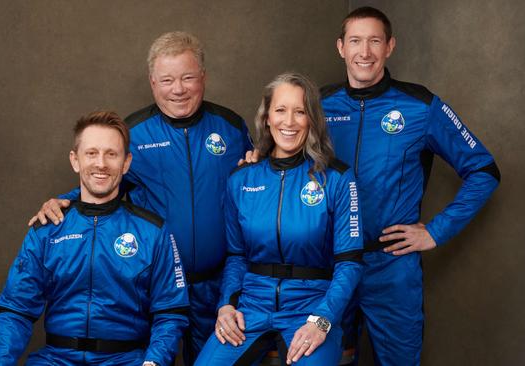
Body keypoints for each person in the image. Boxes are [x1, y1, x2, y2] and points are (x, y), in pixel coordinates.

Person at [28, 32, 252, 364]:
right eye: (167, 80)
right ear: (152, 82)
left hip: (217, 286)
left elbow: (257, 181)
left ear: (203, 77)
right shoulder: (134, 133)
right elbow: (102, 179)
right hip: (152, 290)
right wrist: (62, 201)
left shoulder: (231, 127)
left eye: (188, 77)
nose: (178, 89)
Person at [319, 7, 501, 365]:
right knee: (327, 360)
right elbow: (285, 161)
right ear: (341, 47)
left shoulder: (420, 106)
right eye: (355, 41)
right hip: (331, 264)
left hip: (391, 267)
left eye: (375, 41)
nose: (364, 52)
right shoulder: (318, 105)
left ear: (390, 46)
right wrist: (253, 157)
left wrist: (434, 232)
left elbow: (484, 170)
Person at [0, 111, 189, 366]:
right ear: (75, 160)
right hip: (56, 359)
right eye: (91, 153)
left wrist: (154, 362)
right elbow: (15, 310)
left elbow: (171, 312)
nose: (101, 164)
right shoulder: (47, 230)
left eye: (111, 154)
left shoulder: (153, 232)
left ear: (126, 163)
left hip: (126, 360)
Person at [194, 73, 364, 366]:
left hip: (311, 307)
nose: (289, 121)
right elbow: (236, 257)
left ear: (312, 119)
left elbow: (349, 263)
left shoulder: (337, 178)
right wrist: (226, 306)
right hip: (251, 307)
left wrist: (322, 321)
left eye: (300, 112)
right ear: (267, 117)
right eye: (281, 110)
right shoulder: (241, 178)